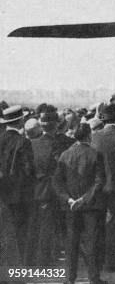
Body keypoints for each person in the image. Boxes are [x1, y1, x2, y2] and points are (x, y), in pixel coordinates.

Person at [53, 123, 107, 284]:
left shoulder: (65, 155)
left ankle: (70, 279)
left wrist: (68, 199)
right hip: (90, 207)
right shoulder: (95, 154)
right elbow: (99, 182)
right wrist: (84, 199)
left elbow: (56, 182)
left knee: (71, 243)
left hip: (70, 207)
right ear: (89, 135)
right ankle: (94, 279)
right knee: (91, 244)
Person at [27, 106, 75, 266]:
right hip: (64, 192)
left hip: (41, 191)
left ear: (41, 124)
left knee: (45, 228)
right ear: (58, 124)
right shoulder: (68, 143)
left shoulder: (32, 144)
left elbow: (29, 169)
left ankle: (44, 261)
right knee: (66, 228)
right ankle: (68, 262)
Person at [91, 104, 115, 272]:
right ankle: (112, 259)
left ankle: (104, 258)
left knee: (103, 223)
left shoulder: (95, 137)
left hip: (98, 187)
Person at [0, 105, 35, 262]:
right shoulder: (23, 142)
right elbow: (29, 171)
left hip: (2, 195)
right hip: (19, 196)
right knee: (20, 235)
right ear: (20, 120)